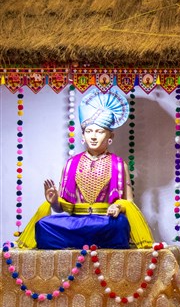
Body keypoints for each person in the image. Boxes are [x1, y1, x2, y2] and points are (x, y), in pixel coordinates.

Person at [18, 89, 153, 250]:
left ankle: (84, 241)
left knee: (120, 224)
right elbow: (62, 207)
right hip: (76, 221)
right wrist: (54, 201)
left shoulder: (118, 164)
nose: (93, 136)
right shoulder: (71, 164)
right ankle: (83, 241)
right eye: (89, 131)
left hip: (104, 221)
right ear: (82, 136)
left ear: (110, 137)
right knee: (43, 225)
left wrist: (118, 206)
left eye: (99, 131)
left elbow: (129, 202)